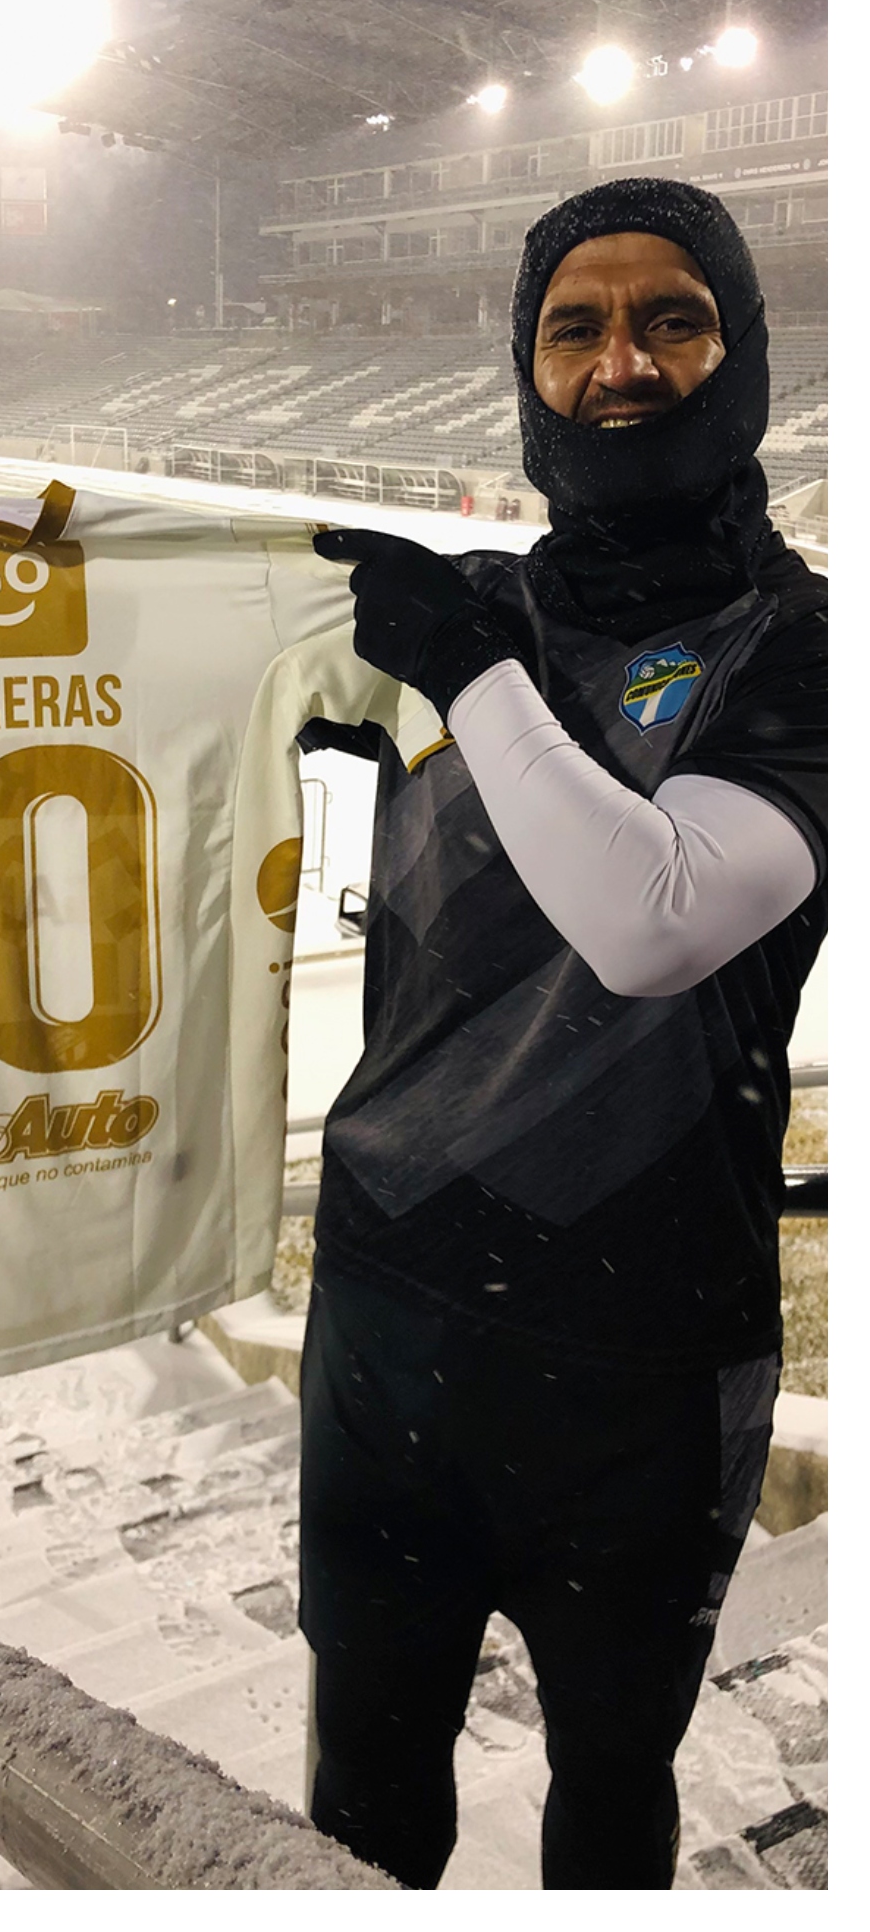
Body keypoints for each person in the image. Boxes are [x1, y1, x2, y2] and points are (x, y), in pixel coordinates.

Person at [298, 177, 825, 1888]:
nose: (621, 362)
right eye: (574, 326)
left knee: (610, 1801)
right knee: (363, 1801)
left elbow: (656, 916)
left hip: (645, 1353)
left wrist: (472, 677)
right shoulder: (456, 619)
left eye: (672, 317)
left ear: (740, 356)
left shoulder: (810, 645)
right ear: (529, 371)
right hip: (387, 1316)